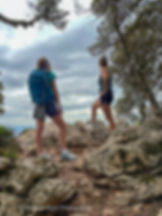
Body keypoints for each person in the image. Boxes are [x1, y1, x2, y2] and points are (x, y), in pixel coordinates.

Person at [28, 57, 76, 160]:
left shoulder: (33, 75)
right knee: (62, 126)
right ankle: (64, 152)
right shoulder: (50, 74)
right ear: (47, 65)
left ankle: (41, 153)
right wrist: (59, 105)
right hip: (49, 103)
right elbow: (55, 90)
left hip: (39, 103)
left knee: (39, 129)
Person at [90, 57, 116, 130]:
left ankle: (92, 124)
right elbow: (106, 79)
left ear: (100, 63)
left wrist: (104, 90)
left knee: (94, 107)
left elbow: (105, 79)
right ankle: (113, 129)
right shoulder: (107, 70)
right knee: (108, 115)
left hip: (106, 94)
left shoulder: (103, 70)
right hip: (109, 93)